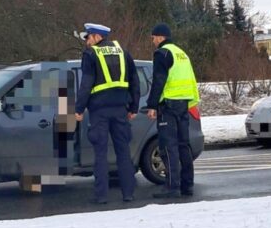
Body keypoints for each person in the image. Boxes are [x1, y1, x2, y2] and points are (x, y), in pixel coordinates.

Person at [75, 23, 140, 204]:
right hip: (120, 110)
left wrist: (79, 109)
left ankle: (101, 196)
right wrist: (134, 108)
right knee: (123, 153)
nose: (87, 41)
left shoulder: (90, 55)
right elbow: (134, 81)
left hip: (99, 112)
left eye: (88, 37)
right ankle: (128, 193)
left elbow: (86, 84)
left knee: (101, 154)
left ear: (97, 37)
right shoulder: (123, 52)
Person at [146, 23, 199, 198]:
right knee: (184, 145)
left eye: (153, 38)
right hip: (184, 104)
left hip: (168, 105)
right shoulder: (181, 53)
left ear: (160, 37)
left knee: (168, 147)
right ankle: (187, 185)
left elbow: (159, 81)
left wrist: (152, 105)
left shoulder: (162, 53)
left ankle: (172, 187)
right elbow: (191, 79)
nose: (153, 41)